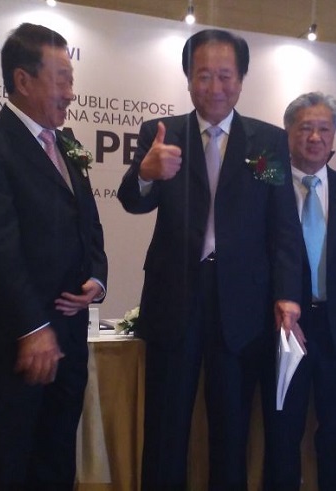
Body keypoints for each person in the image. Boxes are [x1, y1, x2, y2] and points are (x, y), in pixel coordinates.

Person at [118, 29, 303, 490]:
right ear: (187, 78)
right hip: (174, 299)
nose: (215, 87)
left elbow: (284, 227)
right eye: (203, 75)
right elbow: (133, 200)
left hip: (242, 306)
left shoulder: (267, 141)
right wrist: (145, 173)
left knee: (231, 431)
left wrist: (288, 295)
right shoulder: (162, 133)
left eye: (225, 76)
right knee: (166, 430)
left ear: (241, 79)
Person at [0, 23, 108, 490]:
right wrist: (33, 328)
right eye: (61, 79)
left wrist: (97, 279)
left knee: (57, 462)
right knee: (8, 465)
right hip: (14, 341)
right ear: (23, 80)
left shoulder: (67, 144)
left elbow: (89, 226)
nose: (70, 93)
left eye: (71, 80)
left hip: (69, 337)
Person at [262, 92, 336, 490]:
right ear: (287, 132)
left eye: (324, 129)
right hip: (284, 329)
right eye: (305, 128)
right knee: (282, 433)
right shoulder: (268, 184)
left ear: (334, 136)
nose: (315, 137)